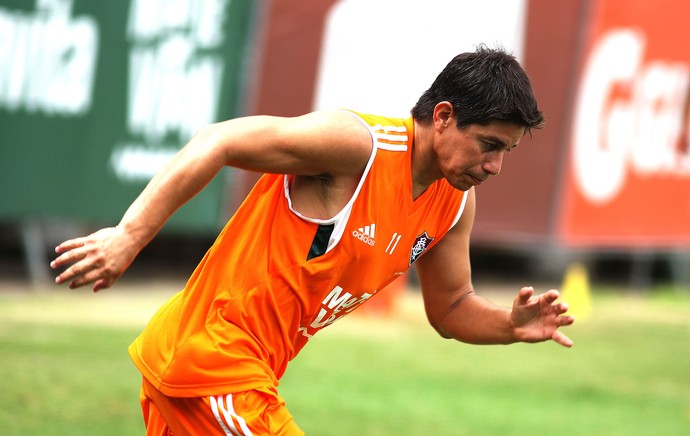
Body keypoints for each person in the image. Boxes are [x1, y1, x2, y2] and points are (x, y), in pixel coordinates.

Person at [50, 46, 574, 435]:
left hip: (235, 373)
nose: (496, 166)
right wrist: (127, 236)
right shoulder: (358, 148)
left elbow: (452, 306)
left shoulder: (455, 201)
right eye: (488, 145)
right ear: (443, 117)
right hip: (211, 362)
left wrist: (509, 324)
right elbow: (218, 140)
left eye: (505, 152)